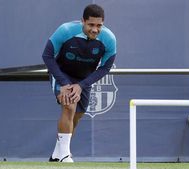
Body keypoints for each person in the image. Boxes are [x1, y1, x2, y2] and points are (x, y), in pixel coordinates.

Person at [42, 4, 116, 162]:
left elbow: (105, 67)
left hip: (83, 80)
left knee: (76, 116)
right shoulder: (66, 30)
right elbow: (47, 55)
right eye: (91, 25)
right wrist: (63, 83)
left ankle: (57, 154)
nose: (95, 29)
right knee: (69, 106)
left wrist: (81, 85)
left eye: (99, 25)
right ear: (82, 21)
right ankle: (65, 155)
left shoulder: (109, 39)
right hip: (62, 75)